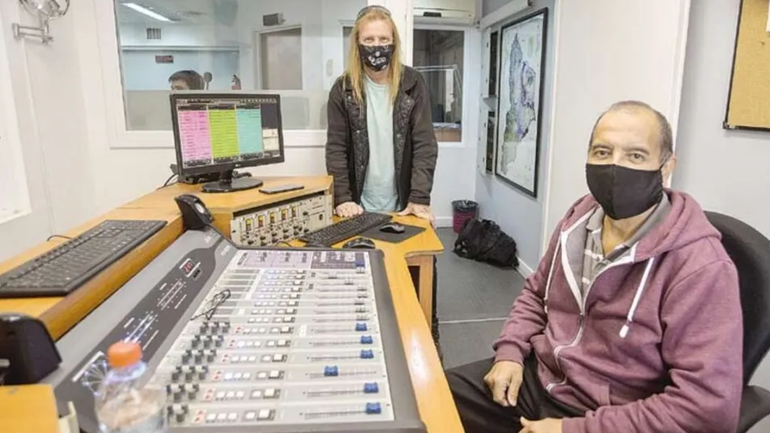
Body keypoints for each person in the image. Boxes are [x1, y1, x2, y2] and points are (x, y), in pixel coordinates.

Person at [446, 101, 742, 433]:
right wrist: (510, 352)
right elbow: (535, 294)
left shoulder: (701, 266)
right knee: (422, 403)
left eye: (635, 156)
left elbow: (707, 409)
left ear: (666, 166)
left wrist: (571, 430)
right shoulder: (580, 219)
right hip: (539, 380)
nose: (615, 167)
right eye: (603, 152)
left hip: (616, 416)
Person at [325, 6, 441, 345]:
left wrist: (419, 198)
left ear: (394, 42)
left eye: (384, 39)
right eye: (370, 39)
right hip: (359, 207)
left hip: (403, 205)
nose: (377, 46)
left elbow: (424, 145)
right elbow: (336, 147)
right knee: (361, 288)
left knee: (416, 282)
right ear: (357, 43)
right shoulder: (343, 89)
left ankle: (425, 349)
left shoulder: (412, 83)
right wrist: (343, 199)